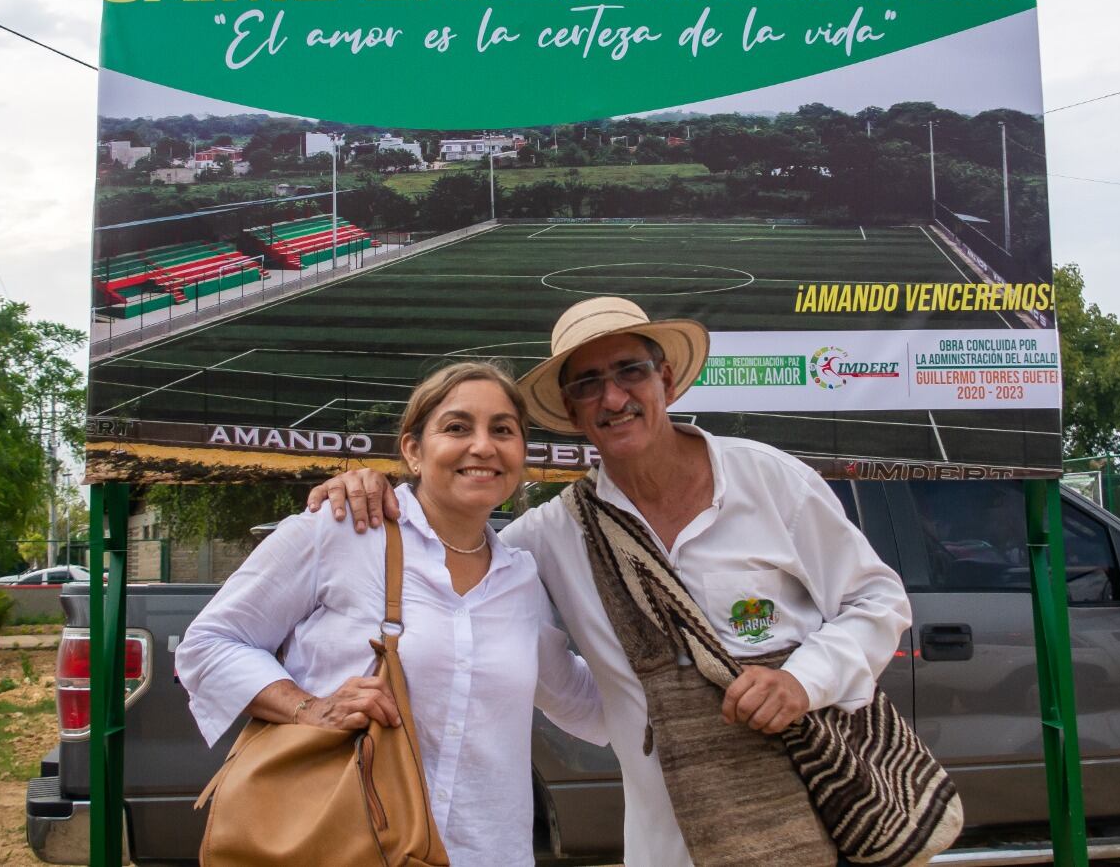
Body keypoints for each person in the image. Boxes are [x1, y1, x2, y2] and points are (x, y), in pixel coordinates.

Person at [310, 297, 914, 867]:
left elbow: (876, 601)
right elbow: (485, 599)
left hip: (806, 812)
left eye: (630, 371)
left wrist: (801, 682)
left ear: (666, 381)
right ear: (571, 411)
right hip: (666, 840)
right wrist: (372, 491)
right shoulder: (544, 538)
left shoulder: (768, 478)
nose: (614, 397)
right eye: (588, 384)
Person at [177, 362, 606, 867]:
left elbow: (578, 699)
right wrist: (308, 707)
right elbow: (209, 644)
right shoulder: (341, 530)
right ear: (412, 450)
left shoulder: (520, 577)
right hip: (350, 847)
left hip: (489, 853)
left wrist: (689, 682)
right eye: (457, 427)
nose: (484, 446)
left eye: (503, 430)